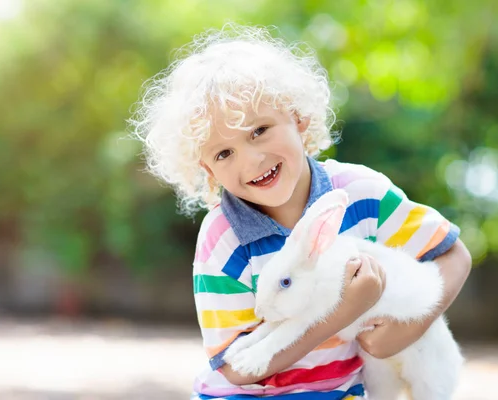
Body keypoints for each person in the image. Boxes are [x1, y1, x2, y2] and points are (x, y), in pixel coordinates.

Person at [129, 23, 472, 400]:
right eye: (224, 153)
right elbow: (234, 366)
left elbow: (453, 254)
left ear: (297, 117)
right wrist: (341, 314)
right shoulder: (221, 240)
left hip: (340, 392)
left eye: (259, 130)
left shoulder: (362, 194)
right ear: (208, 171)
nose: (252, 160)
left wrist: (408, 327)